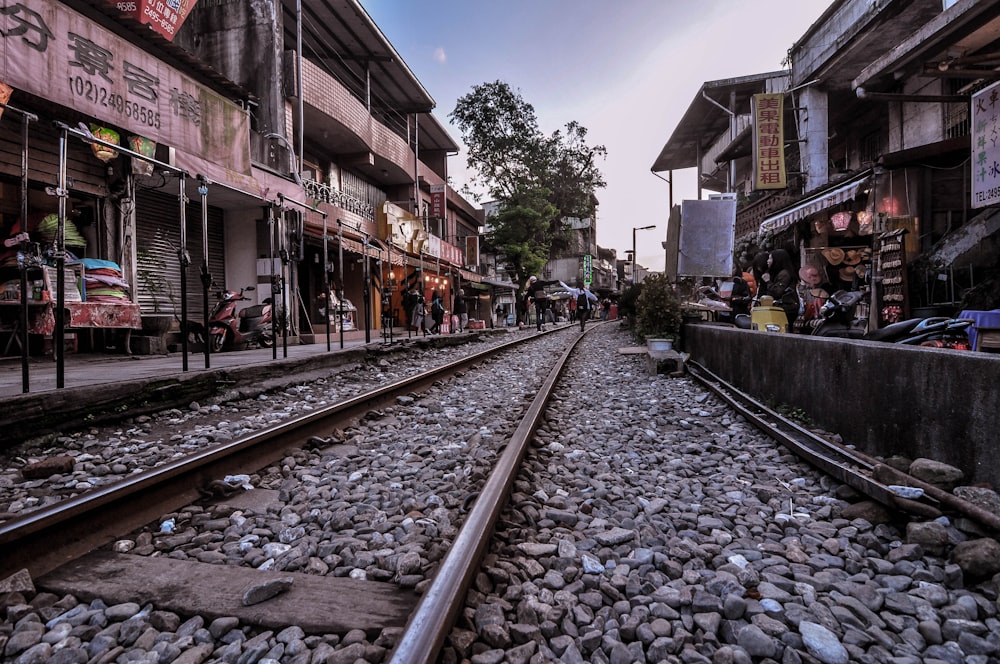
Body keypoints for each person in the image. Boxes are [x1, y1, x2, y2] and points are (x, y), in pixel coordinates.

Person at [767, 249, 800, 330]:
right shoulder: (780, 273)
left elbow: (778, 291)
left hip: (786, 307)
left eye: (770, 258)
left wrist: (768, 282)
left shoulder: (784, 274)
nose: (768, 261)